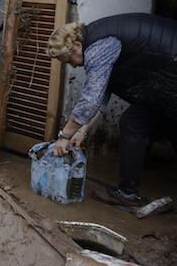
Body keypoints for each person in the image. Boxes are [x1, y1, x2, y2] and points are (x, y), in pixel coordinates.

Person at [47, 13, 177, 206]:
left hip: (171, 71)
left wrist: (64, 135)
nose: (73, 66)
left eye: (68, 60)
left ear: (75, 46)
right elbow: (102, 91)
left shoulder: (99, 46)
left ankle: (127, 193)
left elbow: (91, 97)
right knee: (138, 124)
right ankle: (127, 194)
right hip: (164, 78)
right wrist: (83, 129)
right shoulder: (97, 38)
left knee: (145, 125)